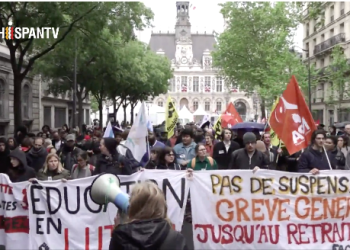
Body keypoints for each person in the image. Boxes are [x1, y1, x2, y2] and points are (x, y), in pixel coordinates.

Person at [109, 181, 188, 250]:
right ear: (161, 206)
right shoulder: (176, 238)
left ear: (133, 205)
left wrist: (117, 232)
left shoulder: (120, 236)